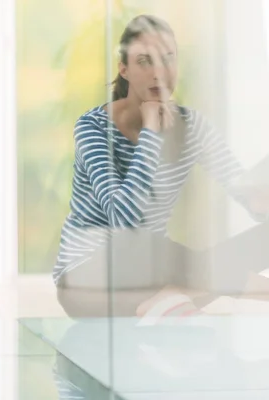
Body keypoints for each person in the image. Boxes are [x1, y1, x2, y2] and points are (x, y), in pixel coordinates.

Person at [54, 14, 269, 320]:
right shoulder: (93, 127)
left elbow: (244, 188)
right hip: (88, 282)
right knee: (143, 244)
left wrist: (259, 199)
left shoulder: (192, 125)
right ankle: (188, 295)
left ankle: (171, 299)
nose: (159, 72)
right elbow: (124, 223)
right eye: (145, 61)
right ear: (123, 69)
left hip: (156, 276)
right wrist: (152, 134)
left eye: (168, 59)